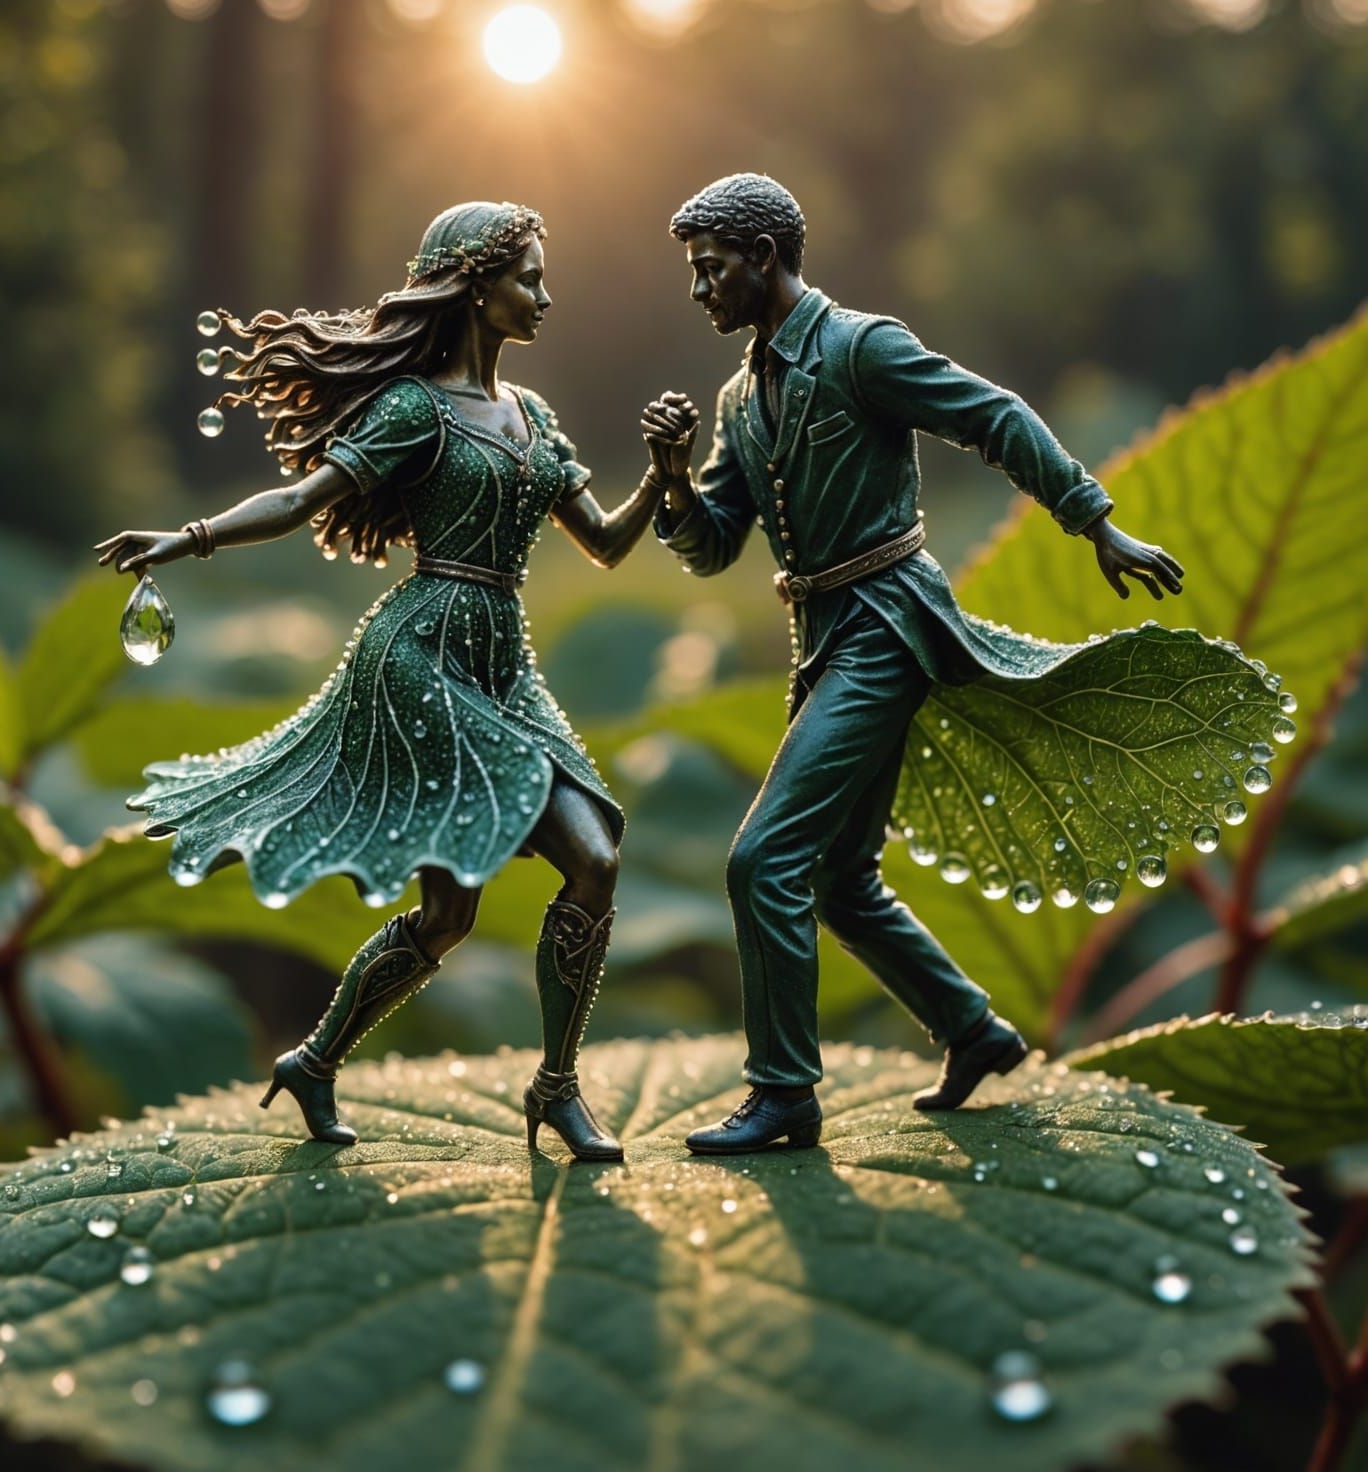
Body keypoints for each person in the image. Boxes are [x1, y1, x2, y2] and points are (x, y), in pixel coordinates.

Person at [95, 201, 675, 1162]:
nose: (543, 294)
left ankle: (329, 1063)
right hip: (421, 655)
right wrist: (187, 537)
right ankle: (546, 1089)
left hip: (499, 655)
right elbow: (297, 499)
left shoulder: (533, 418)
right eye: (527, 275)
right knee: (572, 867)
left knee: (488, 902)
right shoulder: (415, 410)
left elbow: (609, 545)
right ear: (474, 286)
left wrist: (661, 473)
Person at [644, 174, 1186, 1153]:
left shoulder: (862, 348)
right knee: (842, 879)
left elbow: (996, 417)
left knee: (763, 859)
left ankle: (783, 1097)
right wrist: (675, 484)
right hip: (823, 641)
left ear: (763, 256)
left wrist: (1094, 522)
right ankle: (974, 1031)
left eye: (710, 267)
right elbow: (718, 542)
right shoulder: (739, 397)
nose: (700, 290)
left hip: (887, 627)